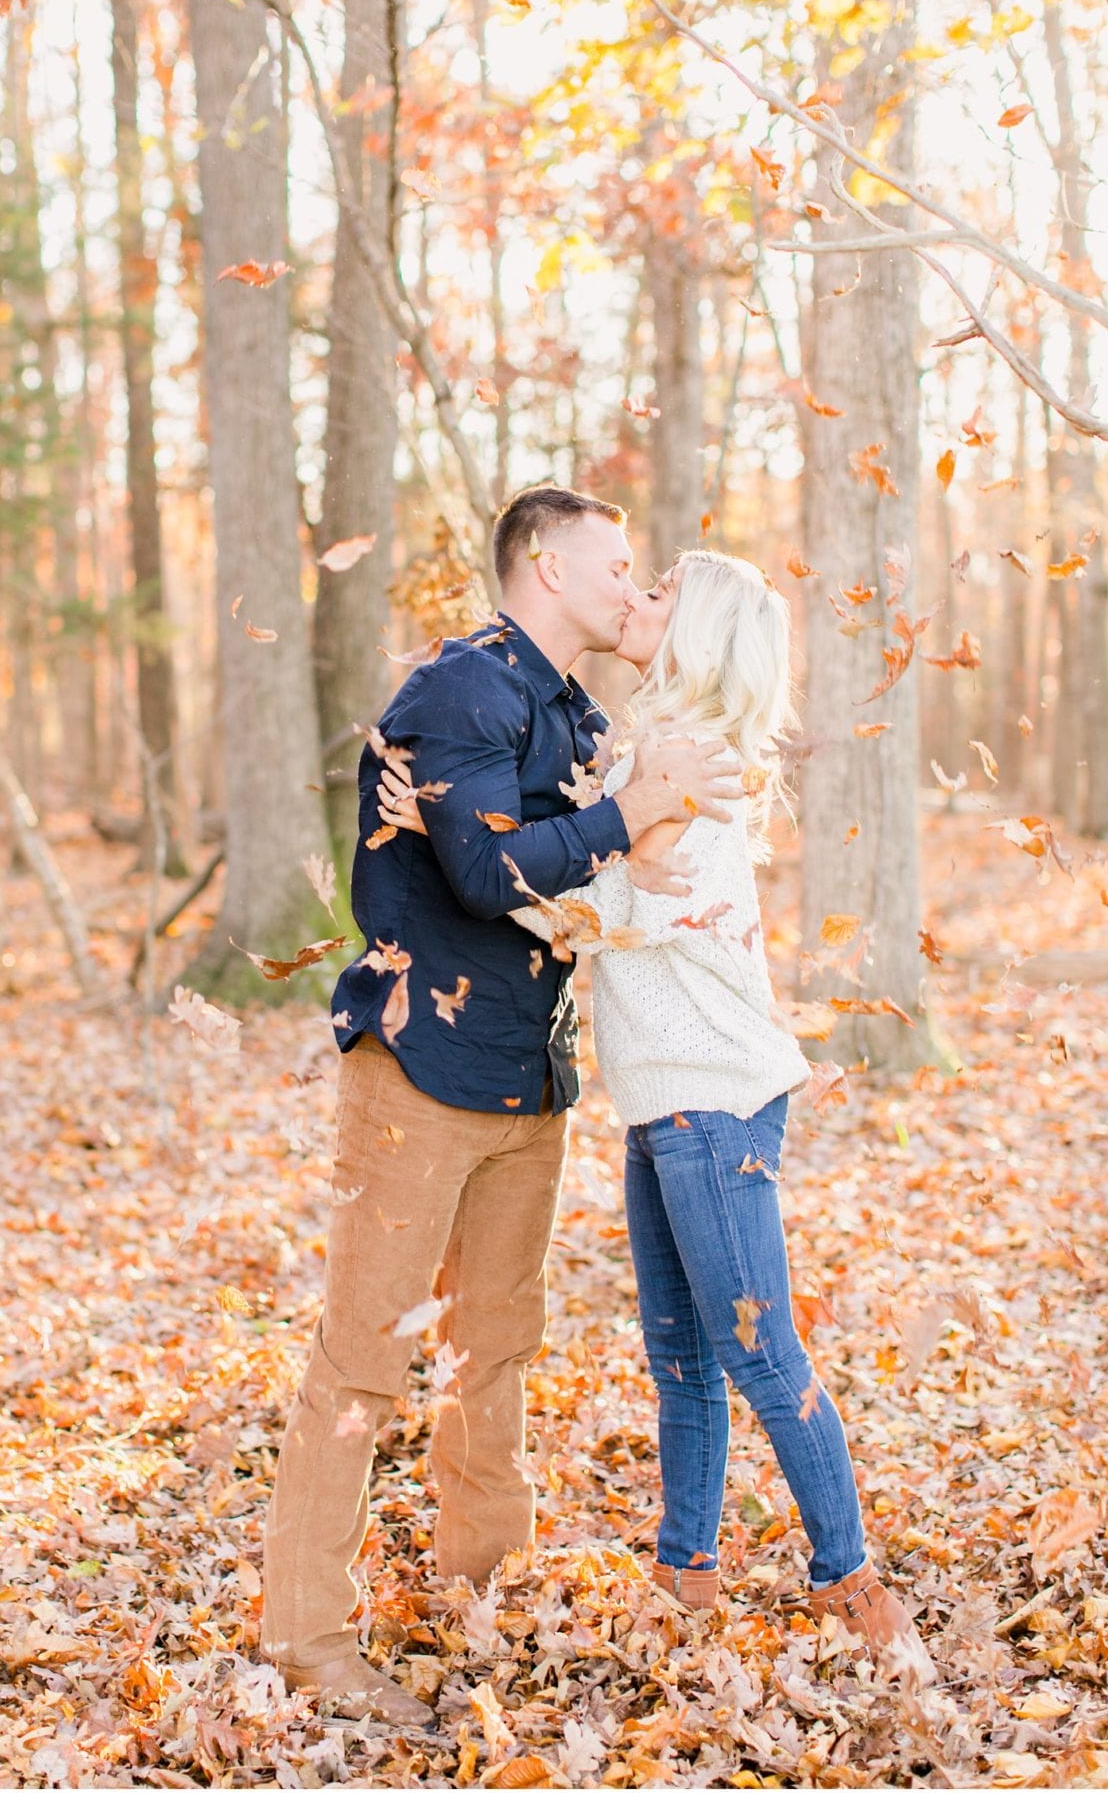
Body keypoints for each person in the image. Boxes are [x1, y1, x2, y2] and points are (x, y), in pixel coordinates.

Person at [380, 549, 936, 1686]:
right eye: (634, 585)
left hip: (716, 1100)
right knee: (680, 1357)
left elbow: (595, 889)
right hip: (666, 1102)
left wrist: (474, 836)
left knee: (759, 1353)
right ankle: (685, 1573)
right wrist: (452, 829)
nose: (635, 602)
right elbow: (583, 909)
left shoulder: (686, 762)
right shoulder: (649, 754)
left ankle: (853, 1581)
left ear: (700, 637)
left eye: (659, 596)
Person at [260, 487, 743, 1725]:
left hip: (530, 1072)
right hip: (421, 1070)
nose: (636, 588)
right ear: (542, 561)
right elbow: (482, 870)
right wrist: (628, 817)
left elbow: (604, 868)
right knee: (365, 1356)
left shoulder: (575, 711)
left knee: (498, 1348)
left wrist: (656, 698)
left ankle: (484, 1581)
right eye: (618, 565)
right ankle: (307, 1639)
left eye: (646, 572)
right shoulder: (459, 687)